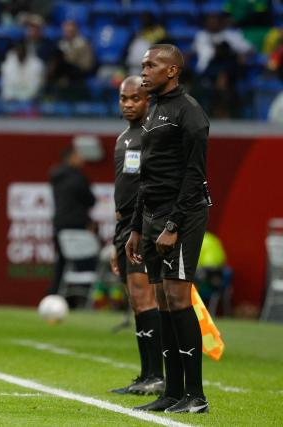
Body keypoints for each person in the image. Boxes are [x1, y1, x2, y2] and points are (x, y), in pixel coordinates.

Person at [126, 44, 211, 413]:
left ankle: (195, 395)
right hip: (152, 216)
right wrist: (135, 227)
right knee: (162, 301)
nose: (144, 70)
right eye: (143, 64)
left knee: (178, 298)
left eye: (151, 65)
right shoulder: (154, 111)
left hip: (183, 214)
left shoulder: (189, 113)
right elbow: (147, 178)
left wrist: (173, 225)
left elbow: (195, 175)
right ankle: (172, 392)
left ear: (172, 70)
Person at [109, 76, 164, 396]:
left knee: (145, 299)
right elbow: (123, 192)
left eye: (135, 98)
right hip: (123, 228)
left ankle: (156, 374)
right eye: (123, 98)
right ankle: (146, 374)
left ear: (148, 101)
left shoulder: (153, 136)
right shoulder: (122, 138)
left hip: (143, 226)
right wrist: (114, 237)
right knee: (136, 302)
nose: (128, 104)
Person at [47, 146, 96, 301]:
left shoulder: (56, 176)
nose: (81, 159)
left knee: (62, 263)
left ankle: (54, 296)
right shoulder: (78, 178)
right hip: (78, 226)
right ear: (71, 157)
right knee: (86, 263)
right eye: (78, 156)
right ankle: (80, 299)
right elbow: (90, 200)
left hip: (59, 226)